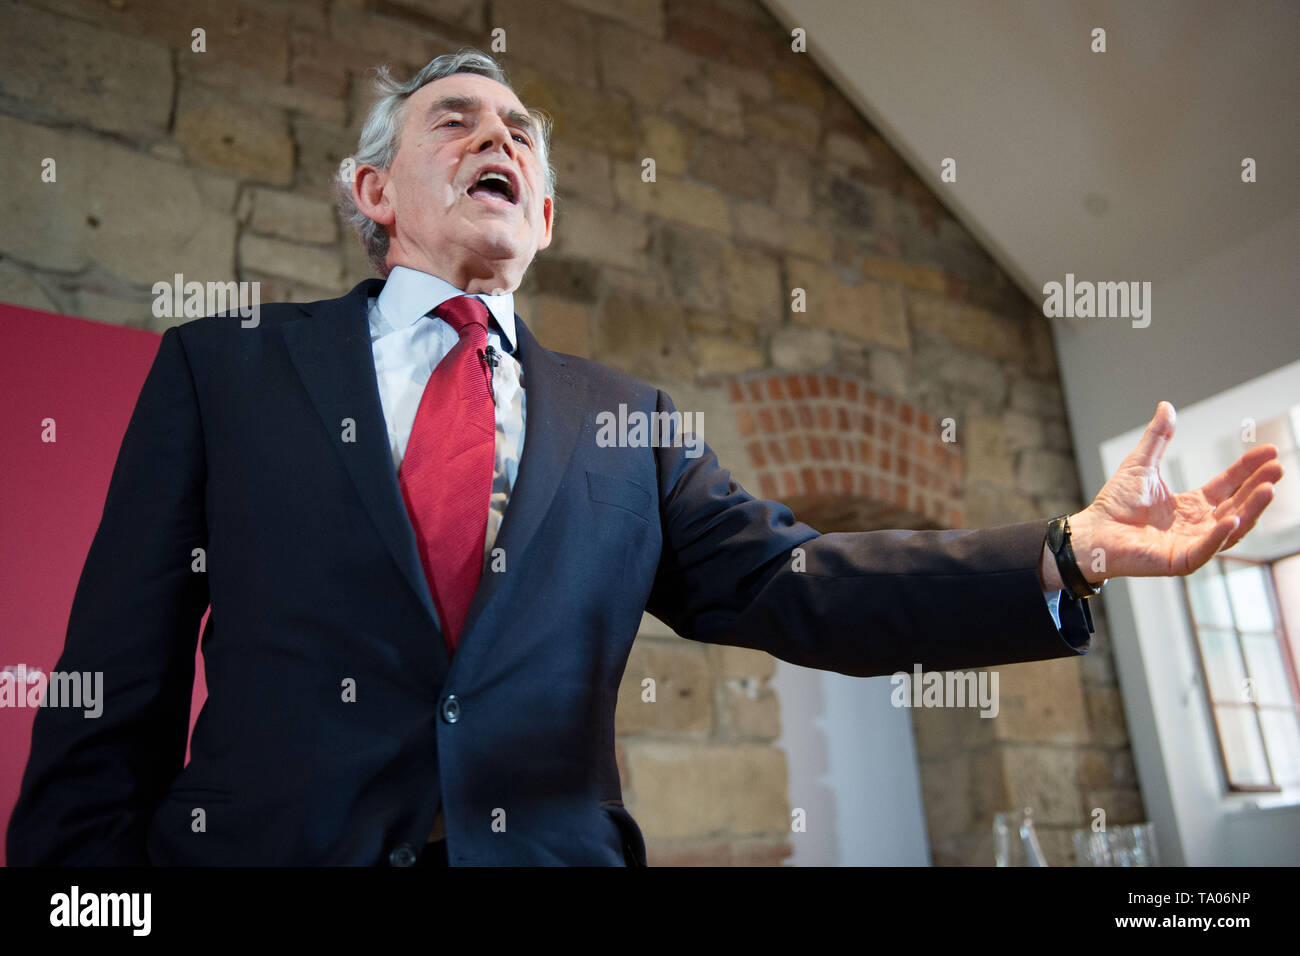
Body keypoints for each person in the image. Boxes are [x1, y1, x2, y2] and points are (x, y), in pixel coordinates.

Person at [6, 50, 1282, 867]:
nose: (493, 137)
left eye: (518, 132)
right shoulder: (225, 368)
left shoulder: (628, 424)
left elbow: (802, 581)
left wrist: (1065, 552)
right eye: (453, 118)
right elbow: (112, 678)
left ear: (545, 217)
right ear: (373, 190)